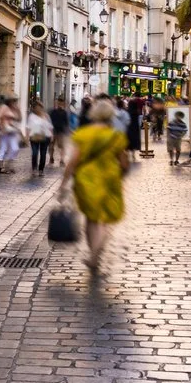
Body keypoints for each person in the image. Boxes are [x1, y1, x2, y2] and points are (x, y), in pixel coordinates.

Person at [60, 99, 129, 273]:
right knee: (104, 221)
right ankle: (96, 253)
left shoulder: (83, 134)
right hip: (109, 179)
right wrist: (121, 174)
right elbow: (124, 163)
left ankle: (93, 254)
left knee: (91, 218)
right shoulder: (116, 136)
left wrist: (64, 182)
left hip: (86, 179)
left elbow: (73, 160)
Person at [0, 97, 22, 175]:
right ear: (10, 101)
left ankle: (8, 165)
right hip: (5, 131)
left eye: (15, 102)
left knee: (15, 148)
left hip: (12, 130)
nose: (15, 103)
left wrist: (18, 110)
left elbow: (19, 119)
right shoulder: (4, 107)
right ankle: (0, 167)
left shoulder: (14, 109)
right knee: (3, 147)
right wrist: (2, 127)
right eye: (14, 101)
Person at [26, 100, 54, 176]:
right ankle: (34, 168)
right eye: (36, 107)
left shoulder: (46, 116)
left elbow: (50, 127)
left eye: (40, 107)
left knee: (43, 154)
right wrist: (27, 136)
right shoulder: (31, 116)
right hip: (34, 137)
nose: (38, 109)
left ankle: (41, 170)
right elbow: (28, 127)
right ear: (34, 108)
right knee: (34, 153)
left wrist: (52, 136)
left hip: (45, 137)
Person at [49, 98, 73, 162]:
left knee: (61, 145)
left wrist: (68, 131)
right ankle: (51, 157)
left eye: (61, 103)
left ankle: (62, 158)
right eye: (59, 103)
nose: (60, 104)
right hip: (53, 130)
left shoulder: (64, 112)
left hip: (61, 131)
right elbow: (49, 121)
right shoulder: (53, 112)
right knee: (52, 144)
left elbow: (66, 123)